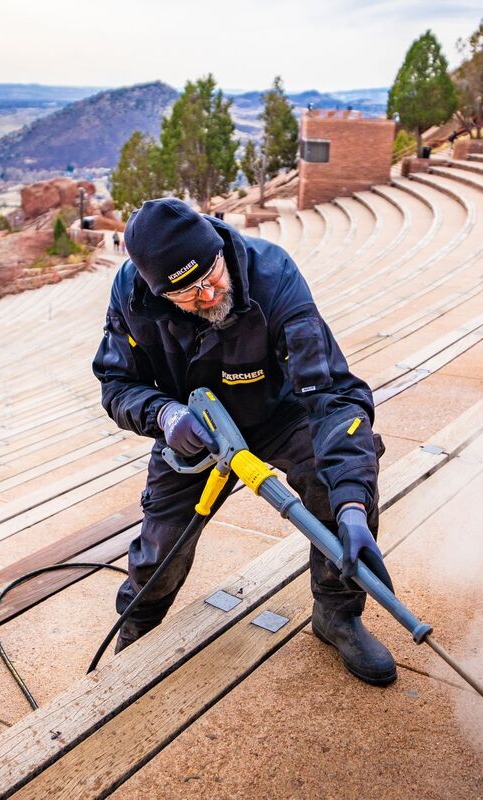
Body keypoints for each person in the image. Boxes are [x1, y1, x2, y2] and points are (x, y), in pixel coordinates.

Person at [92, 198, 397, 686]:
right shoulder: (132, 295)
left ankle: (337, 615)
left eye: (211, 275)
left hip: (279, 412)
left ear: (218, 250)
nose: (208, 294)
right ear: (157, 292)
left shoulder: (273, 276)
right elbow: (116, 383)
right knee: (163, 539)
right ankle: (138, 628)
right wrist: (165, 415)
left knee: (334, 482)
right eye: (187, 293)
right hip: (195, 426)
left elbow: (332, 394)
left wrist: (353, 504)